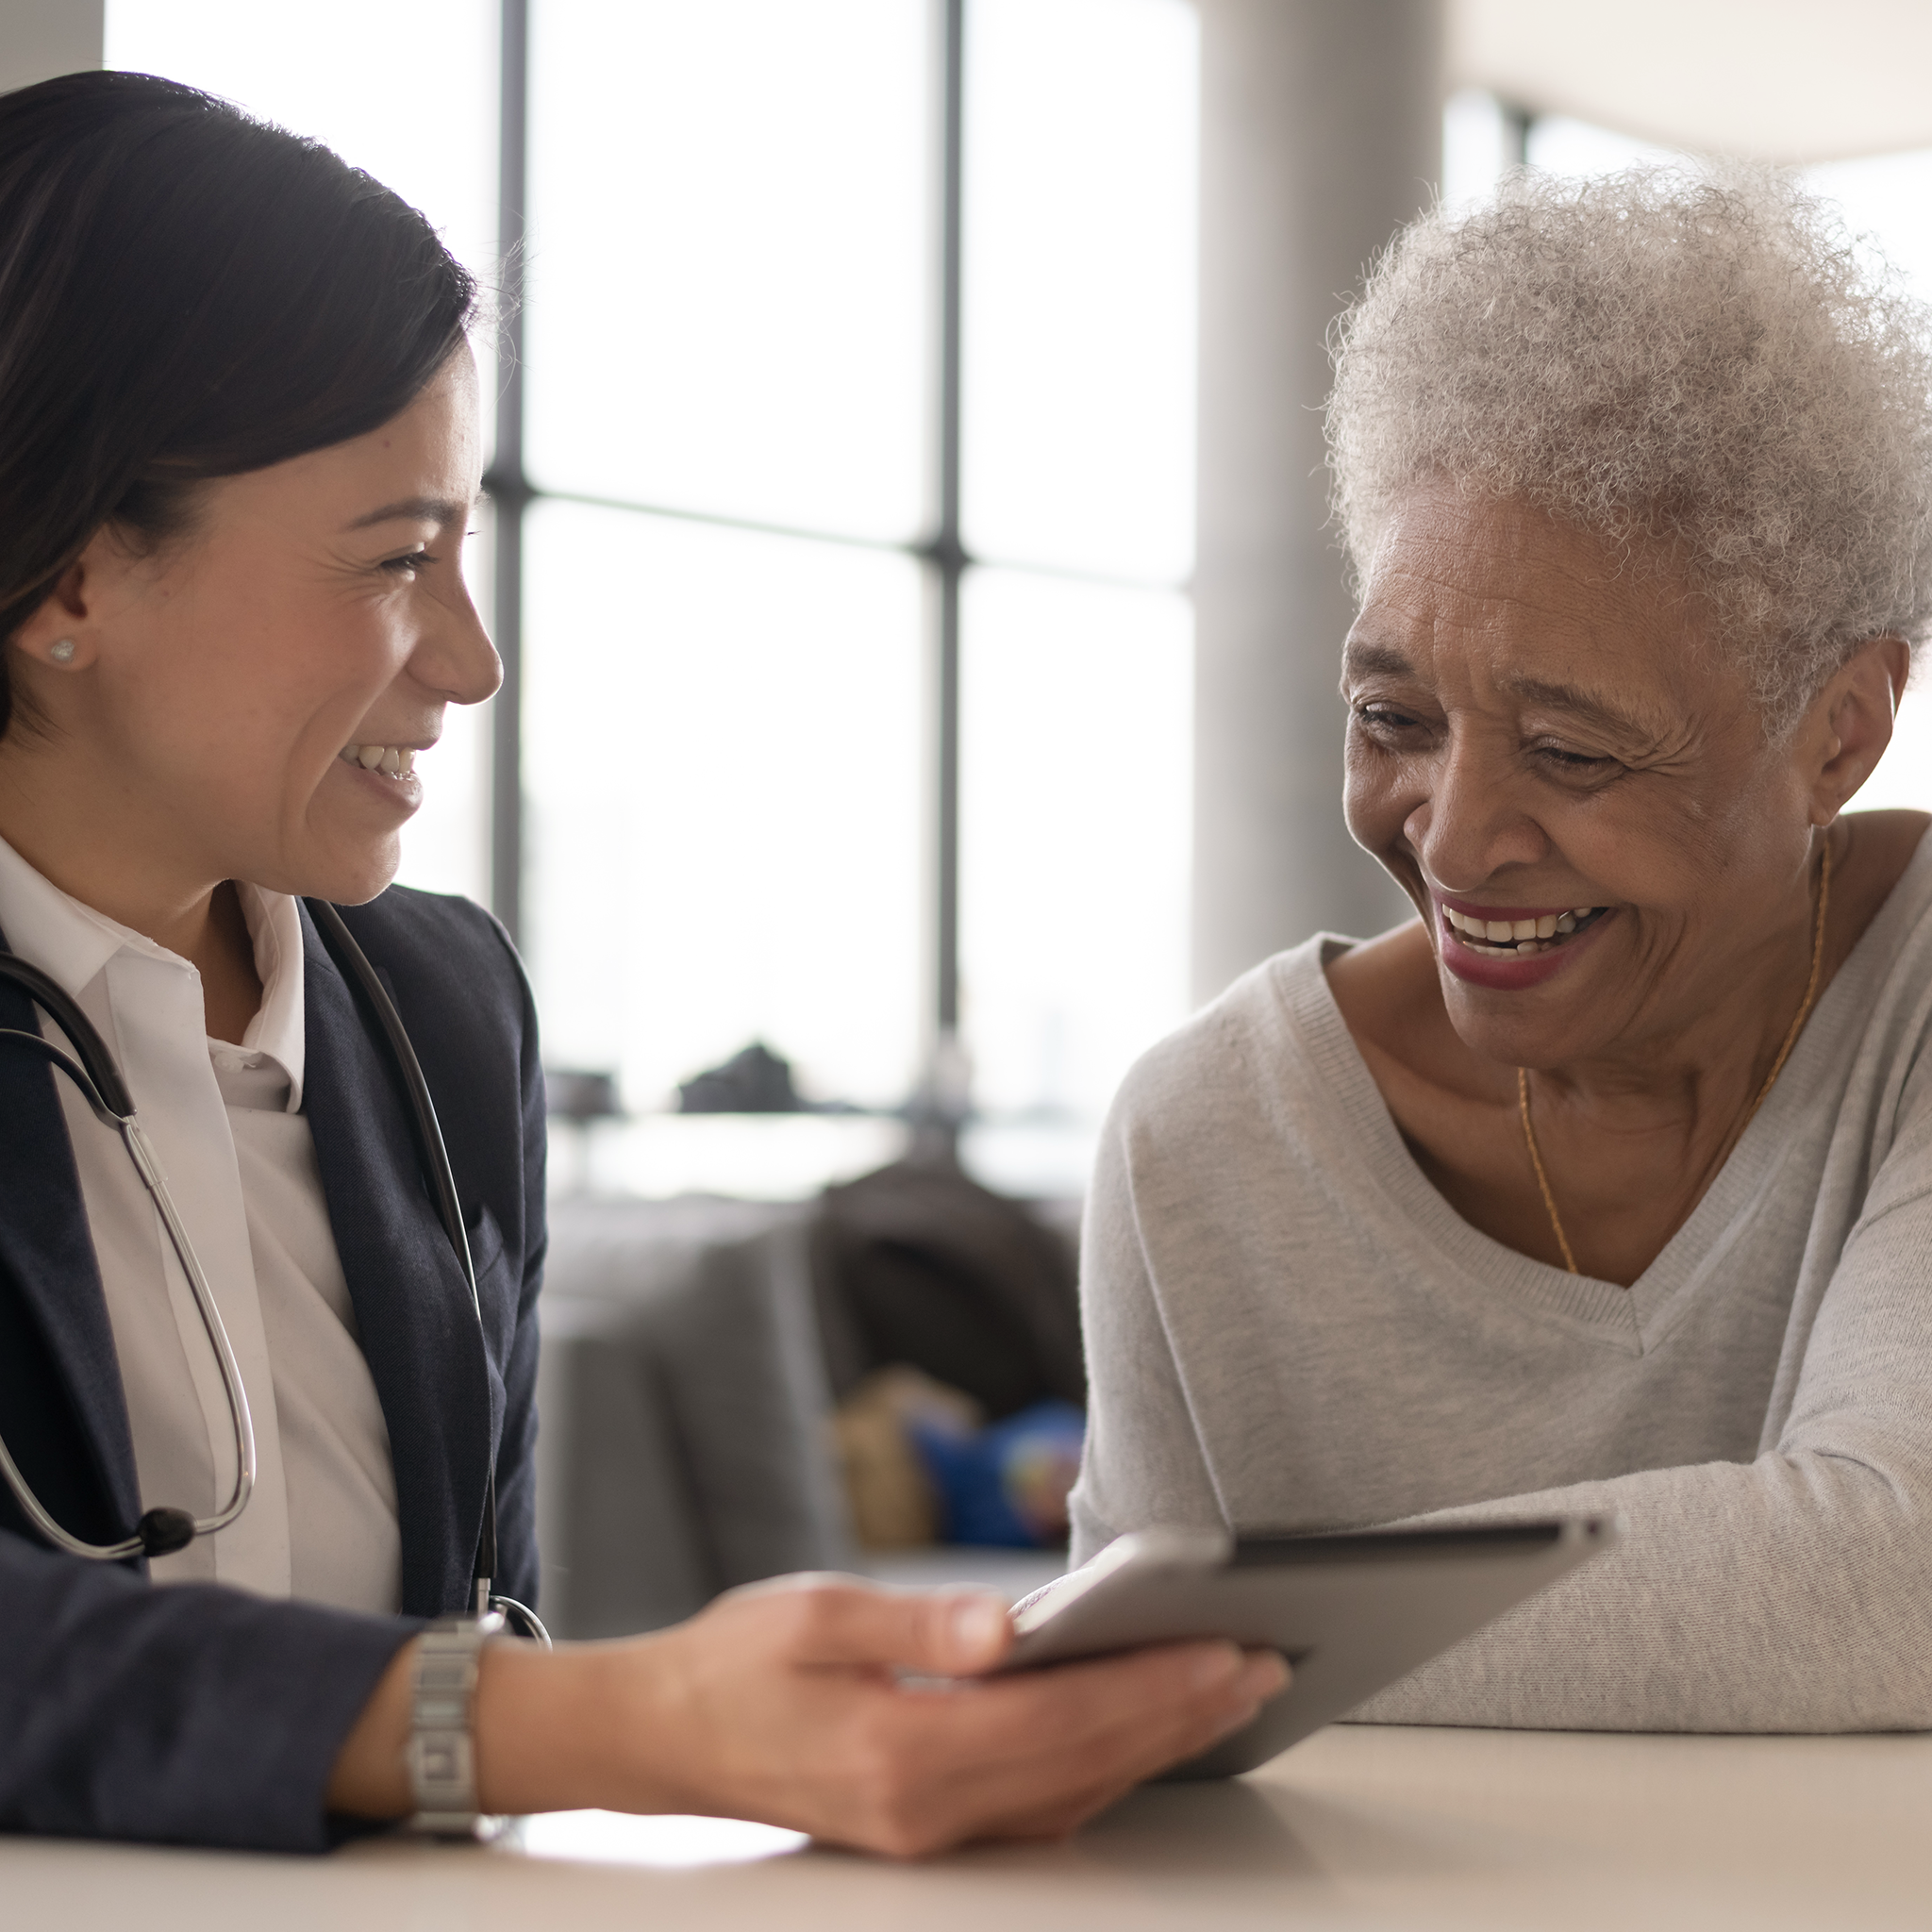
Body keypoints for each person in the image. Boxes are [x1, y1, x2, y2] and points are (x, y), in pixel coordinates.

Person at [0, 72, 1286, 1855]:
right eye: (396, 559)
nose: (470, 660)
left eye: (466, 550)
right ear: (65, 578)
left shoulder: (440, 1015)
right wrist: (616, 1717)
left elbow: (481, 1631)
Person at [1071, 165, 1932, 1732]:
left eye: (1574, 752)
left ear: (1841, 732)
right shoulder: (1200, 1151)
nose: (1455, 843)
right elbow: (1102, 1772)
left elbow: (1905, 1578)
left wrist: (1203, 1648)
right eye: (1394, 721)